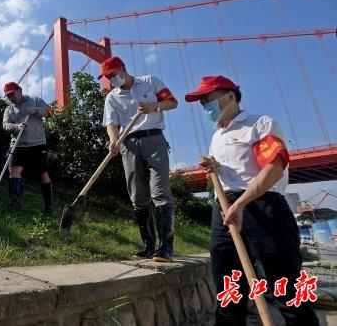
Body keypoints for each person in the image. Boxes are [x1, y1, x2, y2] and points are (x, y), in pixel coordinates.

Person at [185, 75, 318, 325]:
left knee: (285, 284)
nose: (205, 108)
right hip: (224, 208)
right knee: (228, 285)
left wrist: (241, 203)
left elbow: (274, 168)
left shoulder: (259, 124)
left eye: (208, 100)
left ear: (230, 96)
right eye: (202, 103)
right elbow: (234, 171)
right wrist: (215, 166)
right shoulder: (216, 136)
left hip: (263, 206)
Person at [100, 56, 178, 262]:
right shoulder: (112, 98)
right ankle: (148, 246)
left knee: (159, 191)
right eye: (108, 77)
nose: (111, 79)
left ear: (123, 69)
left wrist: (154, 106)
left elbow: (172, 102)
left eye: (113, 74)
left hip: (154, 139)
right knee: (137, 194)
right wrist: (113, 140)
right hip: (129, 144)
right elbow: (112, 123)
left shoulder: (150, 81)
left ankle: (166, 248)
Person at [2, 81, 54, 214]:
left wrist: (37, 110)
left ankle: (48, 208)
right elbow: (5, 125)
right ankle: (15, 204)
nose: (11, 98)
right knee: (13, 171)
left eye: (12, 94)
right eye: (8, 96)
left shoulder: (35, 100)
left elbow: (50, 112)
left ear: (19, 90)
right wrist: (16, 126)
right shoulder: (9, 109)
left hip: (37, 143)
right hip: (18, 144)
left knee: (42, 174)